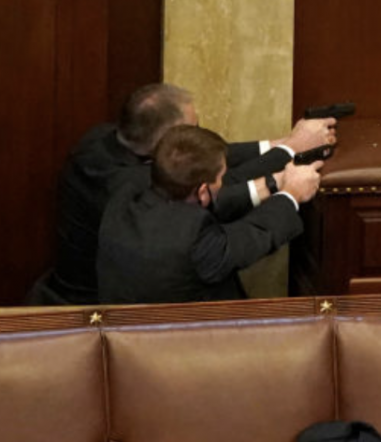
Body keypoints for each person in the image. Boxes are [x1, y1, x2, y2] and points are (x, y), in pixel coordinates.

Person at [30, 82, 337, 305]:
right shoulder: (127, 190)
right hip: (97, 310)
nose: (197, 134)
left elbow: (202, 167)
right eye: (192, 128)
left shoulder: (103, 143)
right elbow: (250, 231)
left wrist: (283, 146)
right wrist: (289, 191)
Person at [96, 124, 323, 303]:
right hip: (190, 347)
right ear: (203, 191)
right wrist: (292, 193)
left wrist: (273, 183)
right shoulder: (194, 238)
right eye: (221, 179)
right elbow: (254, 235)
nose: (224, 184)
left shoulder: (123, 197)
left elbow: (207, 204)